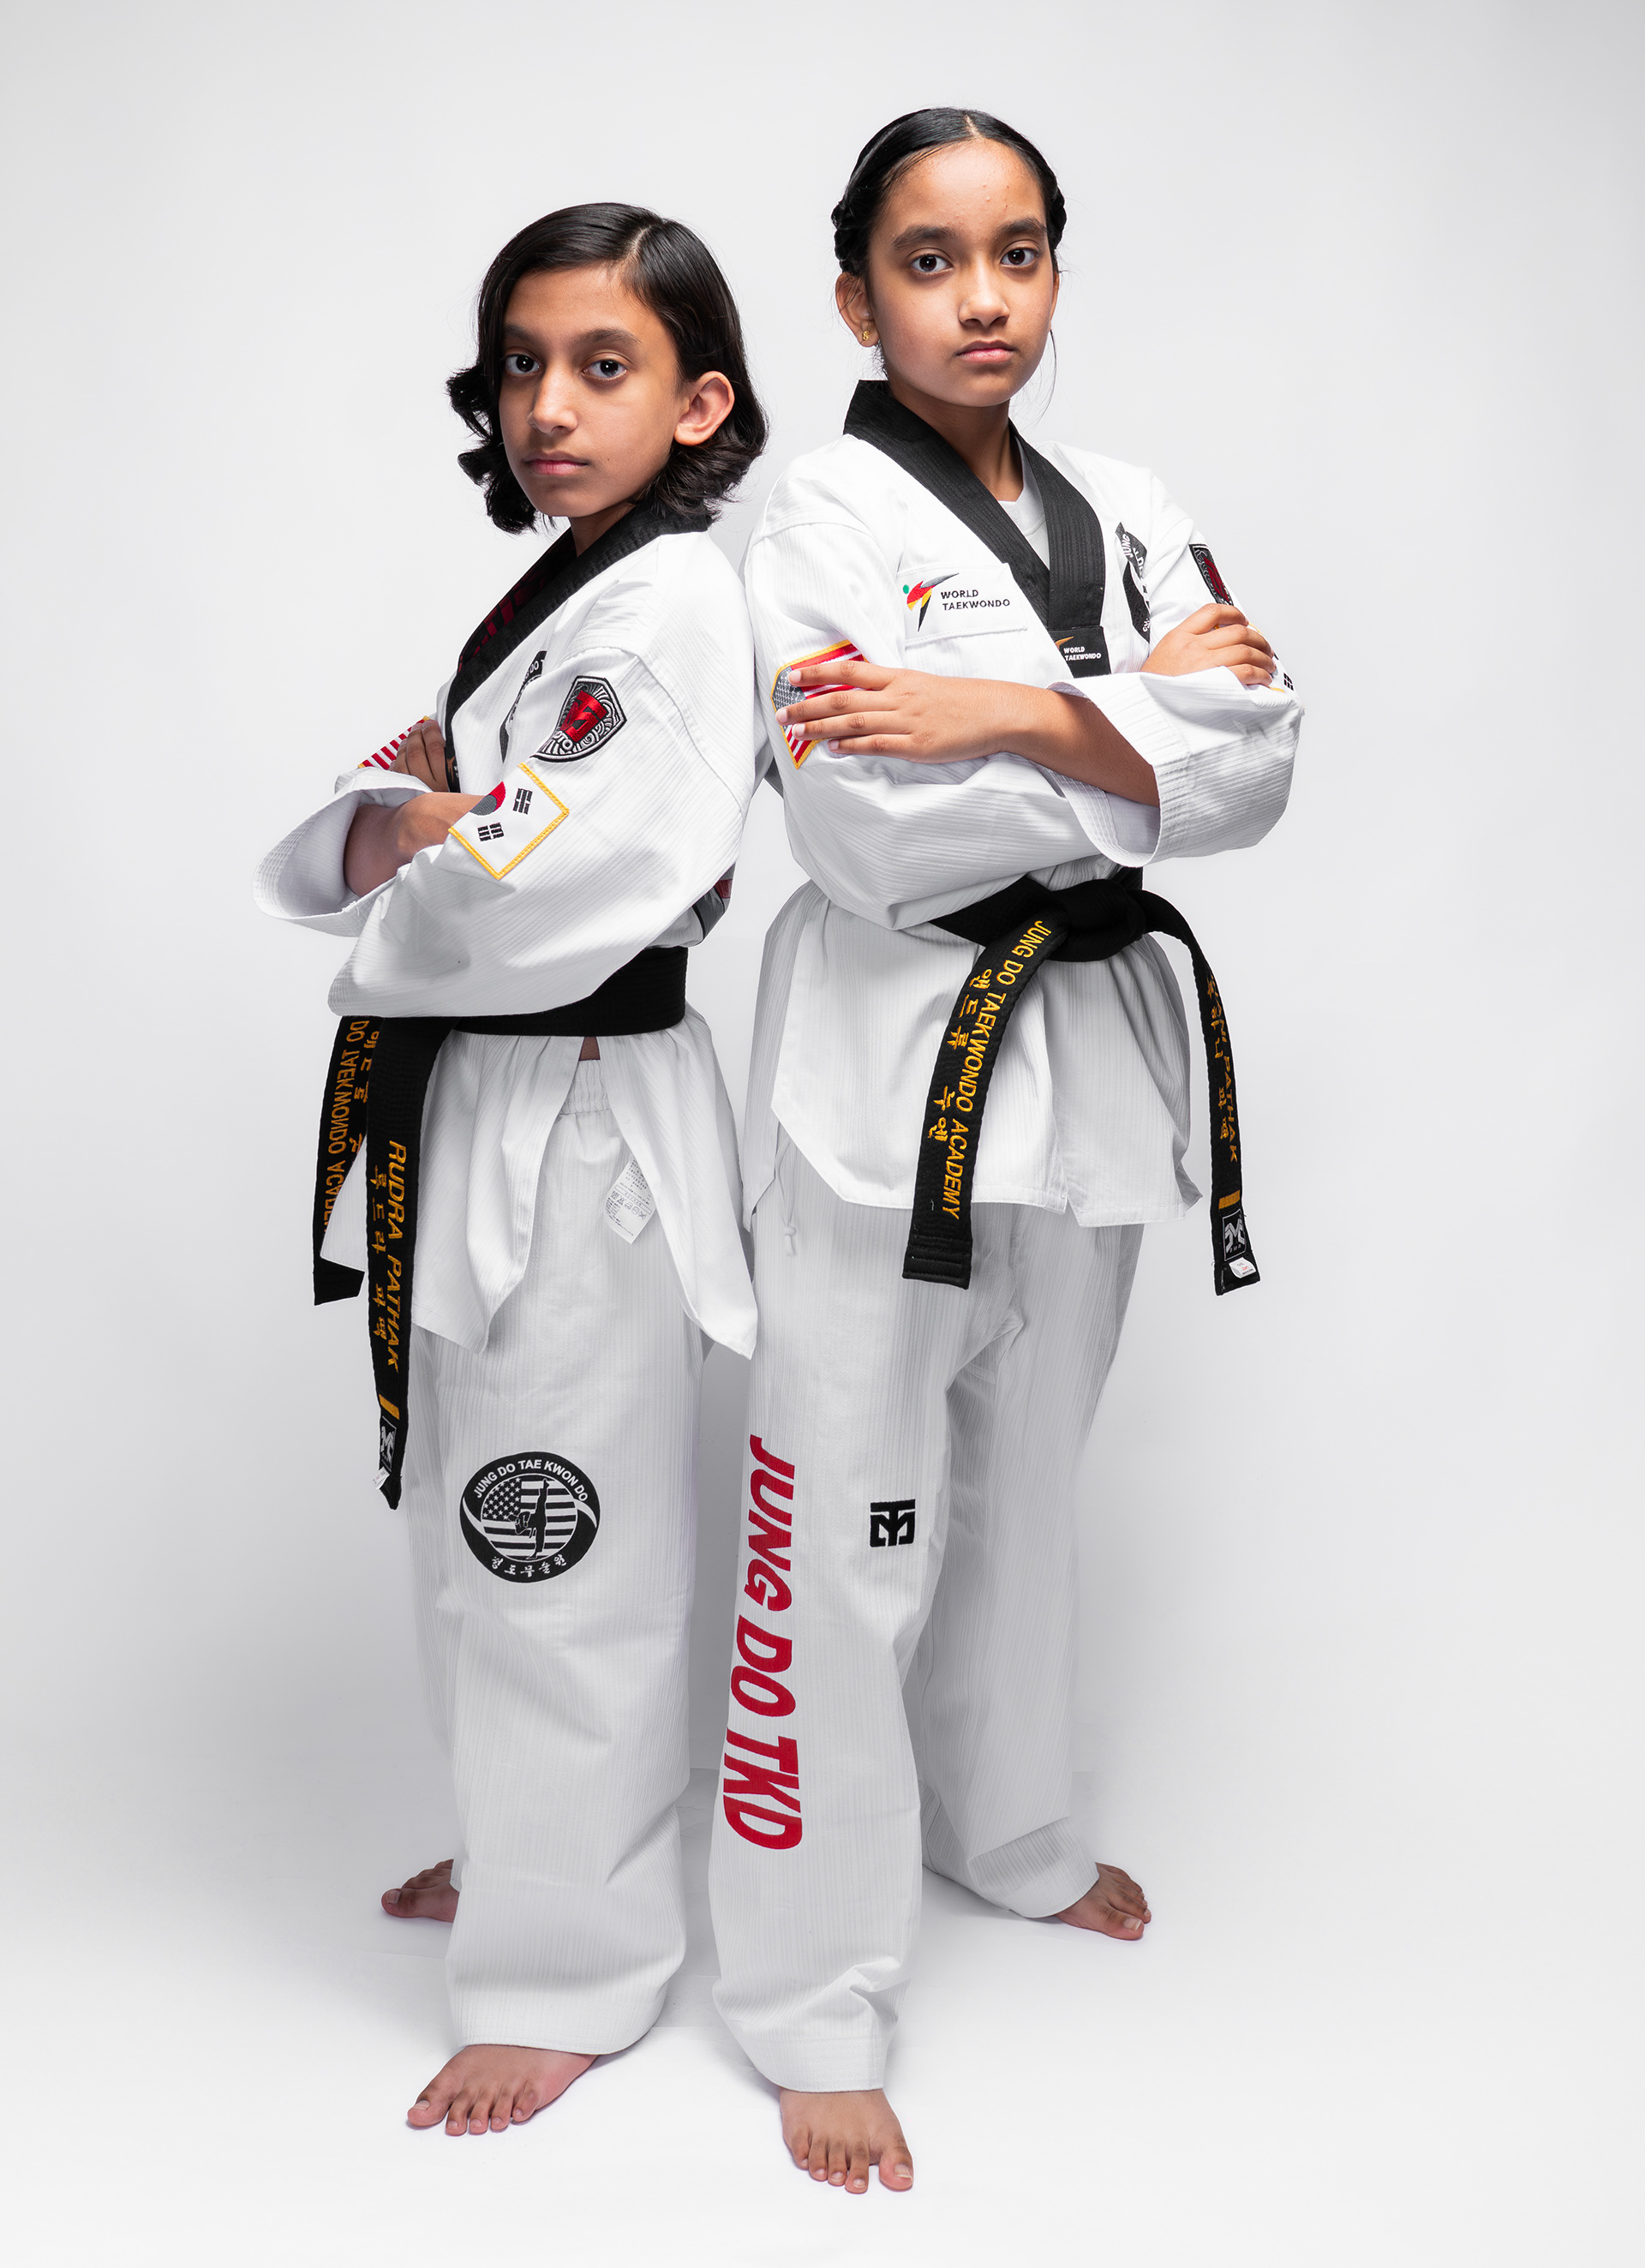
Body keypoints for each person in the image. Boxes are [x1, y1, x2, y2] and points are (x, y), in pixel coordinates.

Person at [709, 110, 1301, 2193]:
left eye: (1020, 251)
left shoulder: (1128, 504)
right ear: (853, 291)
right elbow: (869, 826)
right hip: (892, 1064)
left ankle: (1010, 1824)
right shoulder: (811, 527)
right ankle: (807, 1989)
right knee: (843, 1520)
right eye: (933, 258)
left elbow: (1263, 763)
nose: (984, 298)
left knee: (1030, 1484)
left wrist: (1022, 716)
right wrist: (1135, 717)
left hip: (1092, 1062)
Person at [256, 203, 767, 2136]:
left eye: (603, 366)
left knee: (554, 1531)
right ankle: (522, 1842)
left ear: (699, 401)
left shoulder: (673, 605)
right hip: (489, 1092)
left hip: (583, 1101)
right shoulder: (564, 595)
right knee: (475, 1517)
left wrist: (415, 846)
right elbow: (401, 809)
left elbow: (533, 884)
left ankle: (571, 1968)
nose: (548, 404)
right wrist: (412, 831)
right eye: (523, 365)